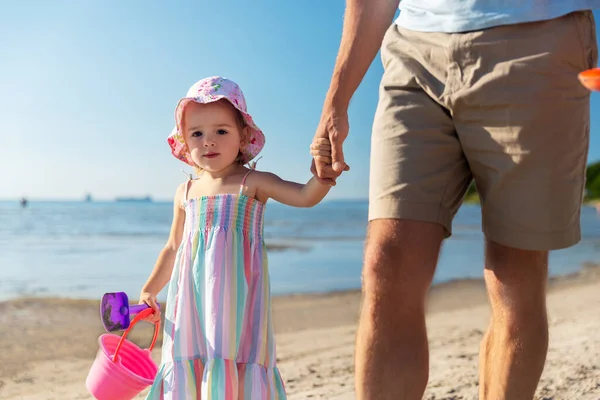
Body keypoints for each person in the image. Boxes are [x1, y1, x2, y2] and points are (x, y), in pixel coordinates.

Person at [310, 1, 599, 399]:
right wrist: (336, 100)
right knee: (387, 263)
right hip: (414, 49)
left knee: (514, 280)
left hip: (537, 41)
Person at [138, 76, 338, 399]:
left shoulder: (253, 182)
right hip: (190, 306)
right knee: (190, 358)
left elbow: (304, 196)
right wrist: (149, 289)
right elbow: (173, 247)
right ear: (184, 141)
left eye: (221, 131)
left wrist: (322, 175)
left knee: (234, 359)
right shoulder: (185, 192)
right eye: (197, 134)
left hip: (237, 306)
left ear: (243, 135)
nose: (208, 142)